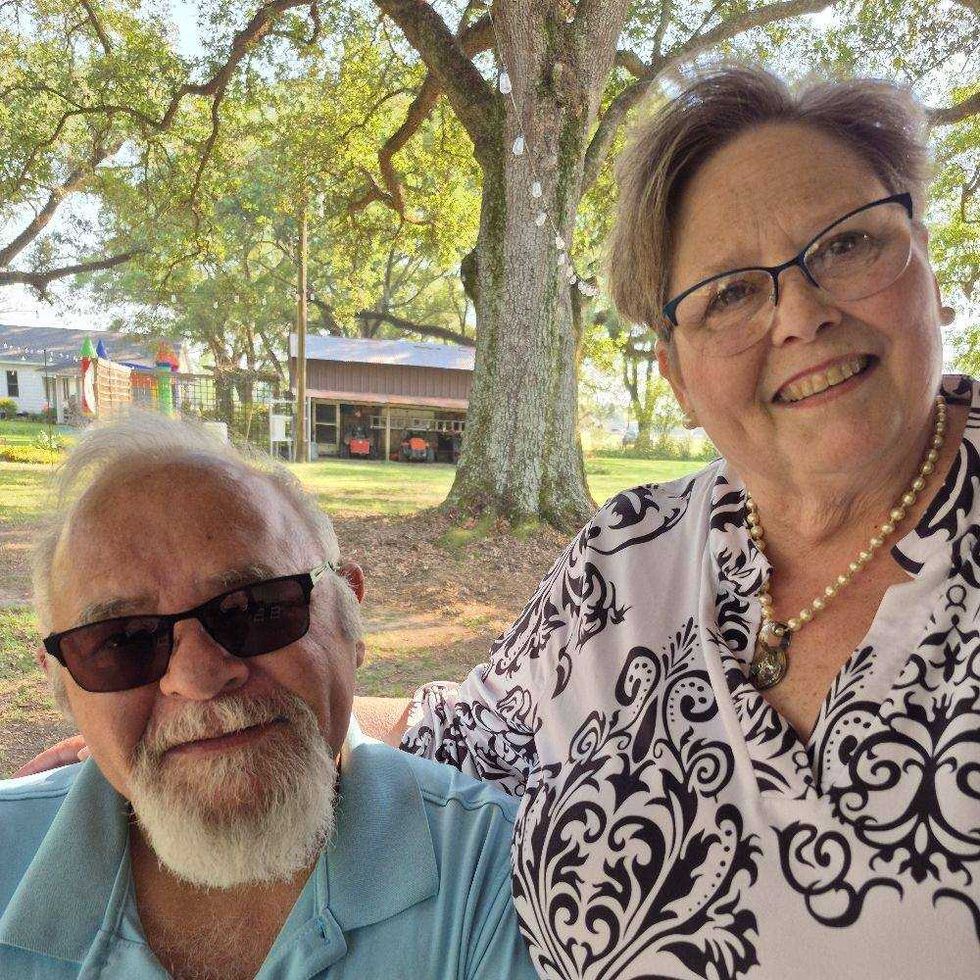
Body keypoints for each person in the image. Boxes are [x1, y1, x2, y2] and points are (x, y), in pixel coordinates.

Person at [18, 66, 980, 979]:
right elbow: (483, 728)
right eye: (731, 290)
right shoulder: (635, 554)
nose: (800, 314)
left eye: (848, 243)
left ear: (931, 265)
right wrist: (218, 700)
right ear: (680, 377)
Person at [0, 415, 536, 980]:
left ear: (349, 616)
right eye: (121, 642)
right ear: (62, 684)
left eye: (256, 609)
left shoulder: (499, 877)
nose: (198, 677)